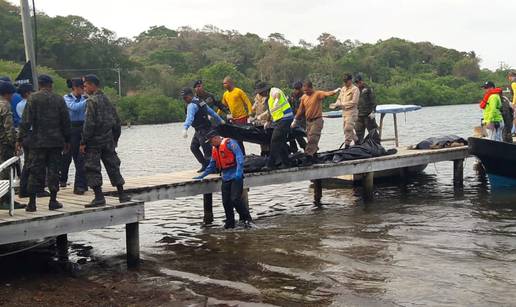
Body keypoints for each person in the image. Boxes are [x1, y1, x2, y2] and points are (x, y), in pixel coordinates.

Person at [16, 74, 71, 212]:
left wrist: (20, 139)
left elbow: (26, 121)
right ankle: (53, 201)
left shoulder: (32, 99)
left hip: (37, 142)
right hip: (55, 142)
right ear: (50, 85)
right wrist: (68, 140)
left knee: (35, 171)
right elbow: (66, 121)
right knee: (54, 172)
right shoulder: (59, 99)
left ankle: (32, 203)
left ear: (39, 85)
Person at [79, 74, 130, 207]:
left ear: (92, 85)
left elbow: (89, 124)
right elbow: (117, 122)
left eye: (85, 86)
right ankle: (122, 194)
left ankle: (99, 197)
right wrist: (115, 139)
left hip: (94, 142)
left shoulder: (92, 101)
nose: (84, 88)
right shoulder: (107, 100)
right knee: (113, 166)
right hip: (108, 140)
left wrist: (83, 141)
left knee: (92, 168)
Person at [193, 130, 252, 229]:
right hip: (226, 177)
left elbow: (239, 158)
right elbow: (212, 165)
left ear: (216, 138)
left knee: (235, 199)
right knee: (226, 202)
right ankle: (230, 223)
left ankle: (247, 219)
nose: (211, 144)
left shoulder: (230, 143)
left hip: (236, 176)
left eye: (211, 141)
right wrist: (203, 175)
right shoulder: (215, 149)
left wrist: (239, 171)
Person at [292, 81, 339, 166]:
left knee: (313, 137)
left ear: (311, 88)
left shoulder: (317, 94)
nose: (305, 92)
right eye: (304, 90)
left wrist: (335, 91)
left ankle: (308, 157)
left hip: (317, 120)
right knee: (310, 139)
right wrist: (295, 120)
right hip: (308, 121)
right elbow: (300, 110)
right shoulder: (304, 97)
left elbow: (327, 94)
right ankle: (314, 156)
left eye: (307, 90)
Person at [181, 87, 225, 172]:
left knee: (207, 151)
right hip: (201, 130)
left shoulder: (191, 105)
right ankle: (205, 165)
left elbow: (190, 118)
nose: (184, 100)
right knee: (194, 147)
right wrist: (220, 120)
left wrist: (185, 128)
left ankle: (213, 168)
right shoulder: (200, 101)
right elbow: (211, 112)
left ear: (190, 95)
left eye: (185, 97)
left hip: (203, 131)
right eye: (183, 98)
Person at [255, 82, 294, 170]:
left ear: (265, 90)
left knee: (274, 141)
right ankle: (286, 162)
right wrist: (267, 121)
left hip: (285, 118)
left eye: (261, 92)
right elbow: (270, 112)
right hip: (280, 120)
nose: (260, 94)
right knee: (281, 141)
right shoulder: (268, 100)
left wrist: (276, 101)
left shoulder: (274, 90)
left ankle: (270, 164)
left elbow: (277, 95)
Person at [60, 78, 88, 194]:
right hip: (71, 129)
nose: (83, 89)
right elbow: (75, 108)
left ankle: (82, 183)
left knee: (81, 158)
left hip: (82, 127)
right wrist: (89, 100)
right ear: (75, 88)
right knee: (67, 157)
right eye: (81, 87)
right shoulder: (66, 98)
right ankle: (62, 179)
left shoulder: (84, 98)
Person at [220, 76, 253, 154]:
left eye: (225, 83)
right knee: (234, 139)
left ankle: (242, 155)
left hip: (242, 117)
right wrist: (216, 115)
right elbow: (222, 107)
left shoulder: (238, 91)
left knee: (239, 138)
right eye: (223, 84)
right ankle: (239, 155)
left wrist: (250, 113)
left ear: (230, 83)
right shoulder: (225, 94)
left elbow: (247, 102)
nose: (224, 85)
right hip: (233, 119)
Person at [0, 81, 19, 209]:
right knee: (6, 172)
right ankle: (5, 200)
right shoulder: (5, 105)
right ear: (7, 93)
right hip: (4, 144)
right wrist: (14, 142)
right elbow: (9, 127)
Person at [330, 74, 360, 148]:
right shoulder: (343, 89)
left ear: (350, 80)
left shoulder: (355, 89)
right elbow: (339, 99)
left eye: (346, 81)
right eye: (344, 82)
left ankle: (347, 144)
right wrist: (335, 104)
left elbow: (354, 102)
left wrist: (342, 104)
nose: (345, 83)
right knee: (346, 128)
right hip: (344, 112)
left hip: (352, 112)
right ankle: (357, 141)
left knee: (348, 128)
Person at [354, 75, 378, 143]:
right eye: (356, 83)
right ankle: (358, 148)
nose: (358, 84)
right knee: (358, 133)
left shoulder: (368, 89)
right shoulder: (355, 90)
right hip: (359, 115)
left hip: (368, 114)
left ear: (362, 81)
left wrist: (373, 111)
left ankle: (376, 145)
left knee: (372, 132)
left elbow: (373, 101)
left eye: (359, 82)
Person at [251, 81, 270, 156]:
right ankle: (264, 152)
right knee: (260, 138)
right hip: (258, 121)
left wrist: (261, 116)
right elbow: (254, 106)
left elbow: (269, 110)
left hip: (266, 120)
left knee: (267, 137)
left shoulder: (268, 97)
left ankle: (269, 152)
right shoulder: (257, 96)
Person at [287, 81, 307, 153]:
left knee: (298, 134)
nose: (296, 91)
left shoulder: (305, 96)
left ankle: (306, 149)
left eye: (298, 89)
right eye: (295, 89)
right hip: (293, 117)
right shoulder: (292, 96)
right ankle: (294, 150)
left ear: (301, 88)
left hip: (302, 118)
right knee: (290, 134)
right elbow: (288, 105)